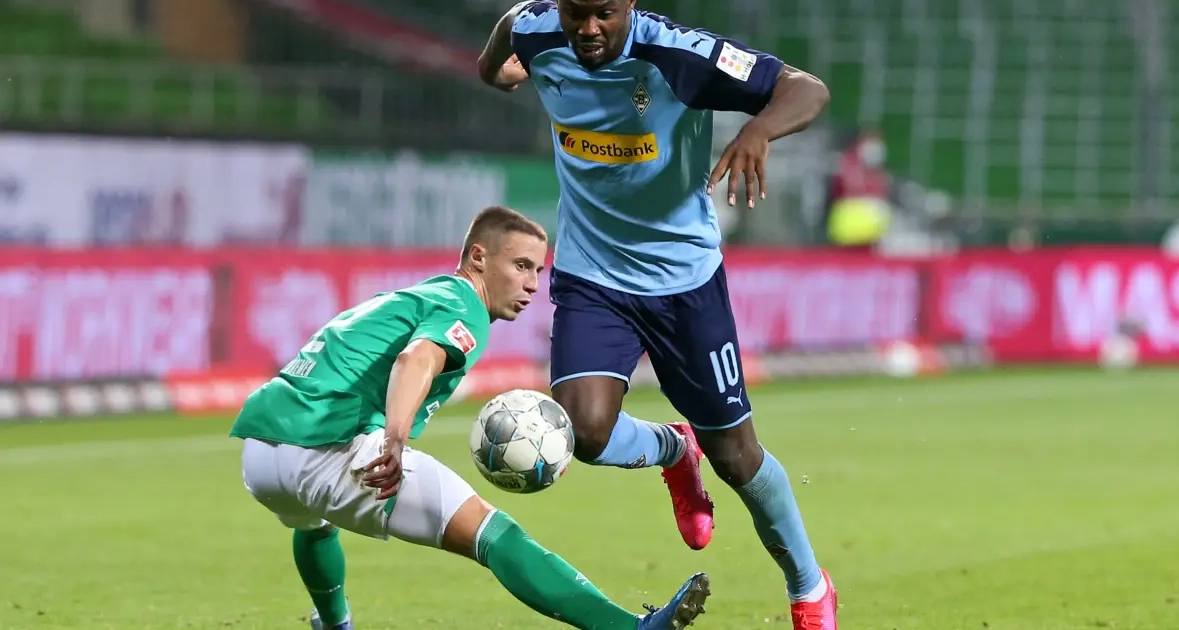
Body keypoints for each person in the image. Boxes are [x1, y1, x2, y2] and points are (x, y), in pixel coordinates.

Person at [477, 2, 837, 628]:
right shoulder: (537, 31)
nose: (588, 29)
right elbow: (505, 44)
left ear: (630, 4)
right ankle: (673, 449)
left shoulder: (680, 57)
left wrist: (758, 130)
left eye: (604, 13)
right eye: (576, 13)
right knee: (585, 433)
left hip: (684, 285)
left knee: (737, 458)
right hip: (593, 276)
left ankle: (809, 586)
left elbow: (807, 89)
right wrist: (501, 66)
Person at [229, 206, 711, 630]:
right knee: (494, 534)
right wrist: (393, 441)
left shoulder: (420, 296)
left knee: (313, 526)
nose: (531, 284)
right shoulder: (465, 306)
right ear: (479, 257)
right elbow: (415, 359)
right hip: (326, 446)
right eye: (520, 265)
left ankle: (334, 622)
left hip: (262, 453)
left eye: (538, 270)